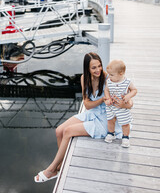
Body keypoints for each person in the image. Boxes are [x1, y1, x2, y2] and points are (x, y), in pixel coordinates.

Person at [34, 53, 132, 183]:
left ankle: (52, 169)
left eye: (99, 66)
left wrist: (123, 103)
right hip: (92, 112)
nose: (98, 70)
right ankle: (60, 166)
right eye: (93, 68)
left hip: (106, 118)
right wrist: (102, 99)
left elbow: (130, 104)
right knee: (59, 130)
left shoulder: (109, 78)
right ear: (87, 69)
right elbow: (87, 105)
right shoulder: (84, 78)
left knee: (68, 131)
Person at [104, 59, 137, 148]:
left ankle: (125, 137)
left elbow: (134, 90)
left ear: (121, 73)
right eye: (109, 74)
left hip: (122, 107)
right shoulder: (109, 81)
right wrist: (107, 98)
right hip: (111, 106)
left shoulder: (127, 82)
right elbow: (106, 90)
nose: (109, 76)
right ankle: (111, 133)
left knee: (125, 123)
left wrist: (128, 96)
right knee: (110, 120)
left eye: (111, 75)